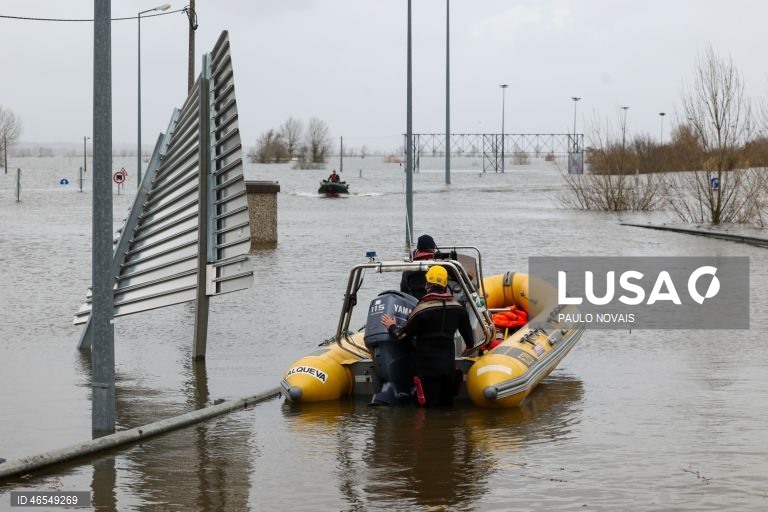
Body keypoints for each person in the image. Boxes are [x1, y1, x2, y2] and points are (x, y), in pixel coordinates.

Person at [381, 265, 475, 407]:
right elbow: (470, 342)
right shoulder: (459, 309)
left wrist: (391, 326)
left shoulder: (420, 310)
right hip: (448, 369)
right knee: (446, 406)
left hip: (427, 370)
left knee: (427, 408)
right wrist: (467, 350)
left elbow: (402, 337)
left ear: (427, 285)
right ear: (445, 285)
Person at [400, 234, 437, 300]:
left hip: (415, 303)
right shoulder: (441, 265)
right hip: (436, 302)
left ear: (418, 249)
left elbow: (403, 290)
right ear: (433, 249)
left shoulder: (409, 268)